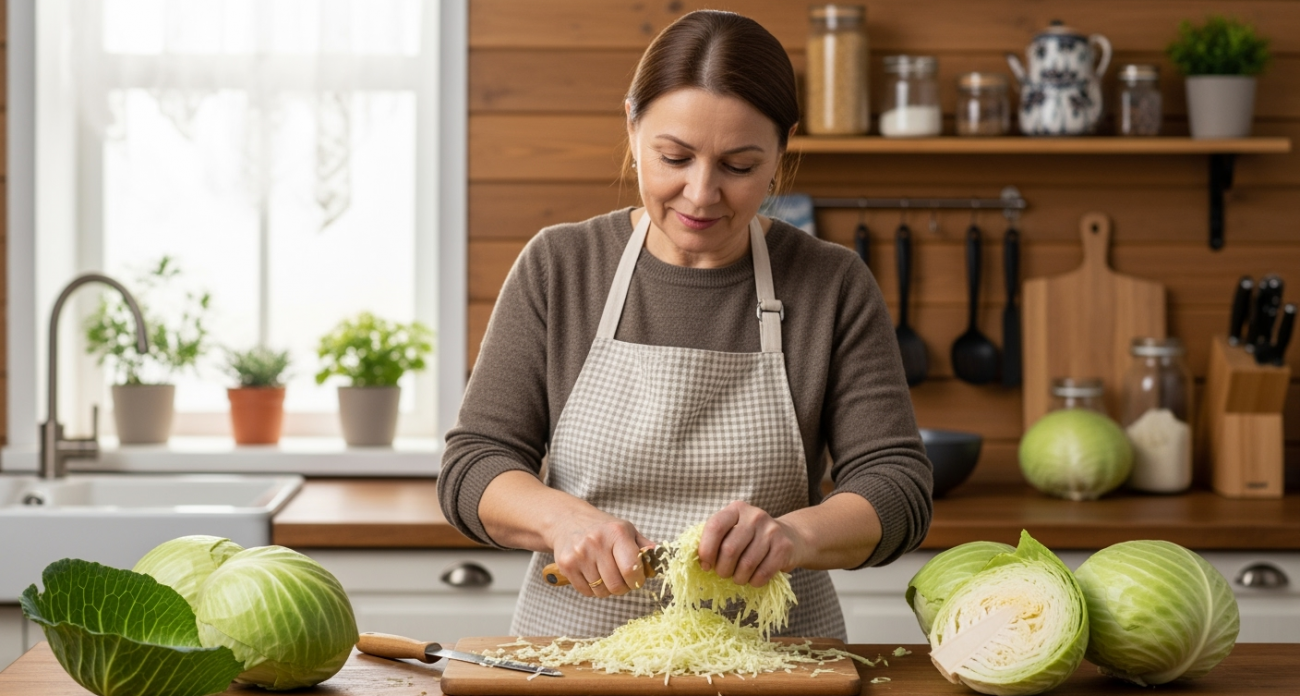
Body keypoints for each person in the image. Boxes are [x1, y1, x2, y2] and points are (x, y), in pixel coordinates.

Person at [438, 10, 932, 640]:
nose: (701, 194)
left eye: (739, 166)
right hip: (573, 660)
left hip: (777, 663)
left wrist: (794, 535)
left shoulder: (831, 283)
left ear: (782, 150)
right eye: (674, 157)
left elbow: (896, 485)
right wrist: (560, 520)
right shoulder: (560, 267)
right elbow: (475, 465)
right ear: (631, 126)